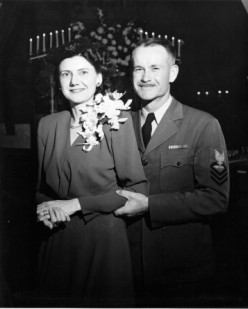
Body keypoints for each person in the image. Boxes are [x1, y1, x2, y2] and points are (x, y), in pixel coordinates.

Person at [115, 37, 230, 307]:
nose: (145, 77)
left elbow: (216, 198)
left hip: (180, 270)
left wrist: (149, 206)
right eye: (138, 69)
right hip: (125, 266)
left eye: (155, 68)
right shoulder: (118, 124)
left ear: (173, 73)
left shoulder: (203, 124)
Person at [35, 37, 148, 307]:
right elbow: (40, 190)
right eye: (66, 73)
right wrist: (43, 209)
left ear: (99, 78)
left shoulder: (115, 122)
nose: (74, 81)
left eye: (83, 72)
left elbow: (137, 190)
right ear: (58, 80)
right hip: (57, 239)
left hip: (103, 242)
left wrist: (75, 204)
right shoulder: (47, 125)